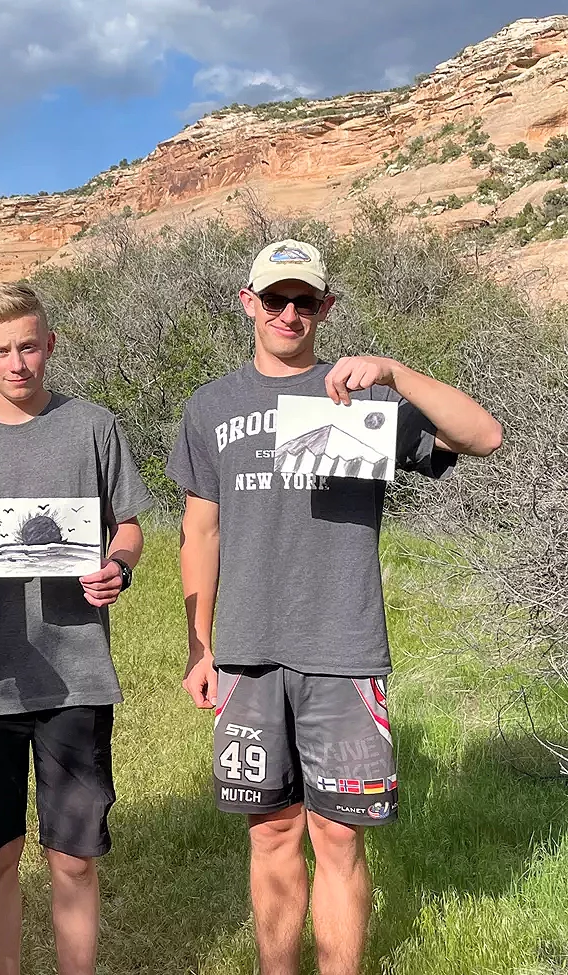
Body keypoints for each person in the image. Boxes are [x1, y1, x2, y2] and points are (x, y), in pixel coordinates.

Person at [167, 239, 503, 975]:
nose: (289, 313)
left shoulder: (368, 399)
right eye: (275, 299)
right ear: (248, 303)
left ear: (326, 308)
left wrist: (394, 371)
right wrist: (200, 646)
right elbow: (201, 531)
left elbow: (484, 436)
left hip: (343, 648)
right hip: (248, 652)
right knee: (270, 833)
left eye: (305, 301)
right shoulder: (210, 406)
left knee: (341, 838)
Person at [0, 283, 153, 975]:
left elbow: (128, 526)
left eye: (29, 346)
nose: (17, 362)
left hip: (77, 673)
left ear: (51, 345)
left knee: (74, 857)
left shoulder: (94, 426)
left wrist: (118, 565)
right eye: (2, 350)